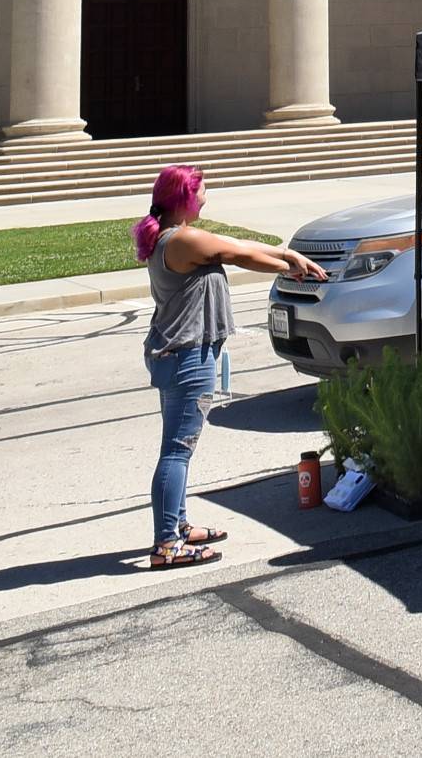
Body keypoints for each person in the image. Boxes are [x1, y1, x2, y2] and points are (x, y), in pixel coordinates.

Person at [137, 164, 323, 570]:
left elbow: (233, 241)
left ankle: (177, 526)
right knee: (176, 452)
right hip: (187, 357)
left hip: (175, 355)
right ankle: (167, 544)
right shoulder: (182, 240)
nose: (205, 198)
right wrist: (288, 265)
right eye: (201, 192)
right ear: (184, 197)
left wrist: (286, 252)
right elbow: (236, 254)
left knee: (176, 449)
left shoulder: (174, 237)